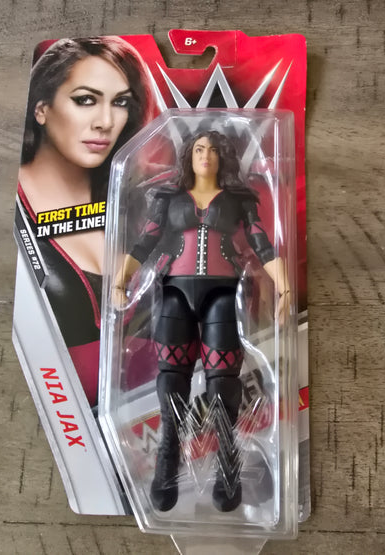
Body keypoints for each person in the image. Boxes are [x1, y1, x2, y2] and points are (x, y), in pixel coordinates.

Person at [113, 130, 290, 513]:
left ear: (222, 156)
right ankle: (167, 459)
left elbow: (261, 243)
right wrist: (120, 281)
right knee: (171, 379)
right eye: (198, 149)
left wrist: (285, 287)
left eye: (212, 149)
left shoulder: (239, 199)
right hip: (174, 291)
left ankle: (228, 470)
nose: (205, 155)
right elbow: (146, 241)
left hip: (223, 294)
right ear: (188, 156)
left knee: (223, 384)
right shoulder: (168, 198)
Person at [18, 36, 154, 408]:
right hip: (51, 420)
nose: (106, 122)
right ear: (41, 108)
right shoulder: (11, 212)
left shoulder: (141, 203)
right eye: (85, 100)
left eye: (120, 102)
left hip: (161, 414)